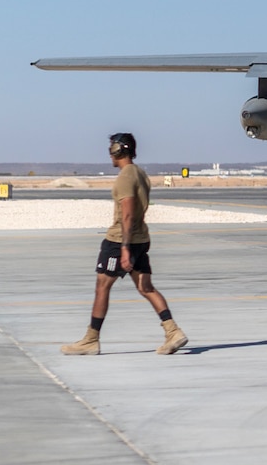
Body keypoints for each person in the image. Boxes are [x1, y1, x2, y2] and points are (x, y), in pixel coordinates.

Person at [61, 133, 189, 356]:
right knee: (146, 287)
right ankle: (173, 331)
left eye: (112, 147)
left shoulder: (126, 177)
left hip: (120, 240)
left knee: (102, 287)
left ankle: (91, 340)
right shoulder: (140, 174)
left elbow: (128, 214)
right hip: (141, 239)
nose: (109, 152)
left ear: (120, 150)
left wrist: (124, 249)